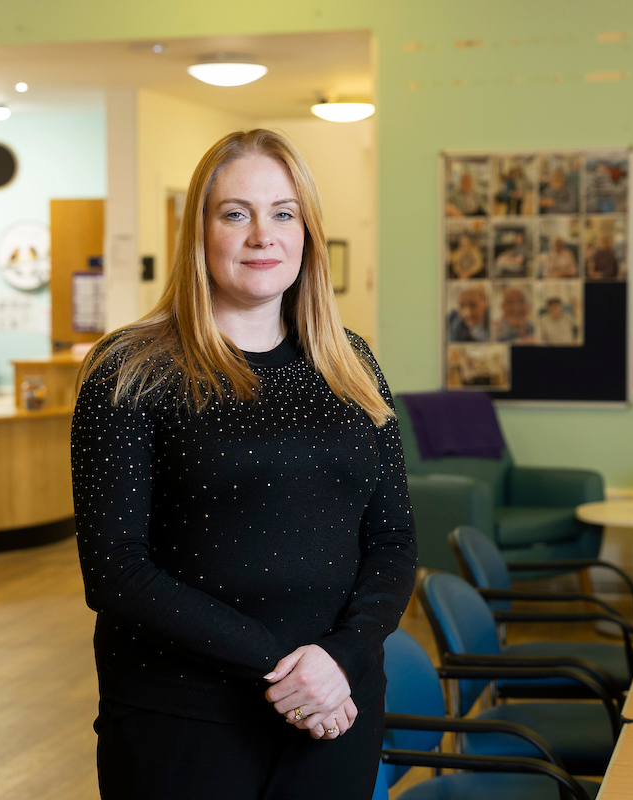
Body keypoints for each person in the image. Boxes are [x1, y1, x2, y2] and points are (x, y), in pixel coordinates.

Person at [71, 129, 417, 800]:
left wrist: (342, 659)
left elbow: (394, 539)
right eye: (236, 214)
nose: (263, 235)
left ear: (307, 233)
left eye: (284, 213)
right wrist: (289, 670)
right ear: (198, 233)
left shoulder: (351, 363)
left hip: (337, 705)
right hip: (185, 717)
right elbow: (115, 572)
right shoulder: (132, 369)